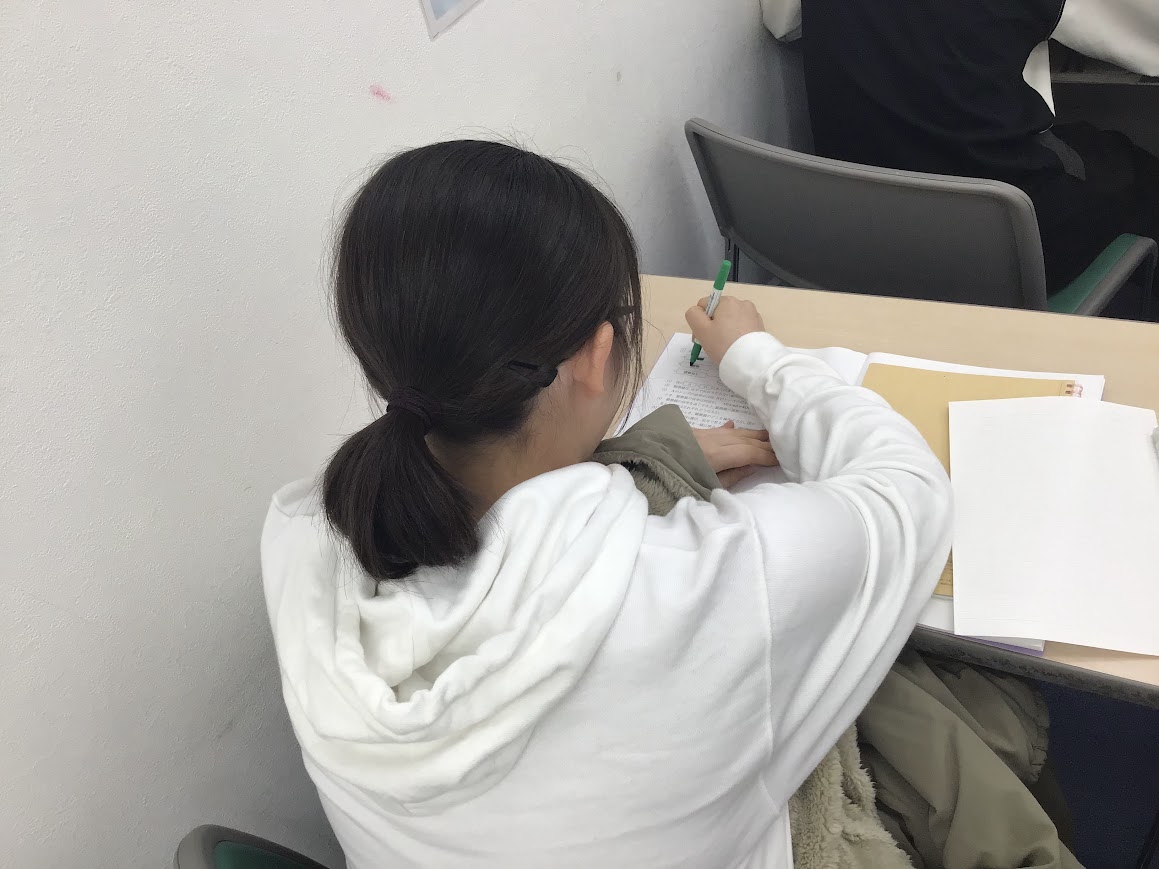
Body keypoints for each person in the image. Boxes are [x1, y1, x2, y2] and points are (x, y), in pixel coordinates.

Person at [261, 140, 953, 868]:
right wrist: (757, 357)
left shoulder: (301, 542)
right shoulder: (701, 585)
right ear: (596, 355)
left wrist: (644, 457)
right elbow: (907, 488)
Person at [799, 0, 1159, 297]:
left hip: (855, 223)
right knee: (1131, 168)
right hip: (1003, 243)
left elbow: (784, 21)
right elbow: (1144, 32)